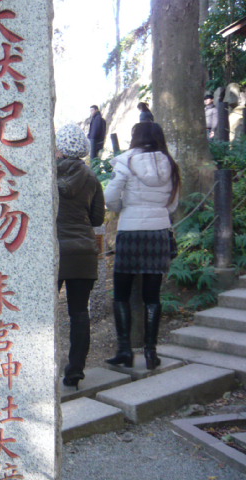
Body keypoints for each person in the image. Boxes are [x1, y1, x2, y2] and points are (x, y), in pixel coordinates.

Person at [104, 122, 181, 370]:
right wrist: (157, 212)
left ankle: (125, 350)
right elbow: (172, 205)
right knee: (152, 296)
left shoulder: (125, 161)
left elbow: (110, 199)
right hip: (158, 233)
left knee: (121, 294)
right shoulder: (170, 163)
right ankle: (150, 352)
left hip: (130, 233)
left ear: (135, 137)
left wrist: (124, 210)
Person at [55, 123, 105, 388]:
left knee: (44, 312)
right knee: (79, 313)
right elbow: (97, 218)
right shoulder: (92, 178)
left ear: (60, 147)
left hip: (55, 253)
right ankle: (75, 372)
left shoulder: (46, 174)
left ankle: (42, 366)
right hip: (84, 252)